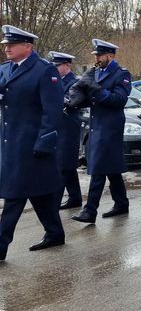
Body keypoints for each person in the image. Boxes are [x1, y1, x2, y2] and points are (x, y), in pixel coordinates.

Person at [0, 25, 65, 261]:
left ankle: (1, 245)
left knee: (14, 195)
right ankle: (55, 232)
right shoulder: (5, 70)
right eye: (5, 45)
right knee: (40, 195)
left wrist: (45, 143)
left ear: (27, 46)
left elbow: (53, 111)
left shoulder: (44, 71)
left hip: (31, 145)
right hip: (11, 142)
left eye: (11, 44)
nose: (6, 48)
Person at [71, 39, 131, 224]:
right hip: (97, 124)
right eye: (95, 55)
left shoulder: (122, 74)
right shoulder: (96, 73)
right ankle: (121, 203)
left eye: (100, 55)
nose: (96, 58)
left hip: (110, 126)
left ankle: (90, 211)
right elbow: (91, 97)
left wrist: (95, 90)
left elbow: (119, 100)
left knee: (99, 167)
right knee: (111, 168)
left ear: (110, 56)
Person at [49, 51, 83, 209]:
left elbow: (72, 102)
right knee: (67, 166)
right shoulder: (55, 81)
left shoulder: (75, 82)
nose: (55, 68)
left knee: (63, 164)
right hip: (57, 126)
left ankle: (54, 202)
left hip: (68, 127)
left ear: (67, 65)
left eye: (58, 65)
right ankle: (75, 197)